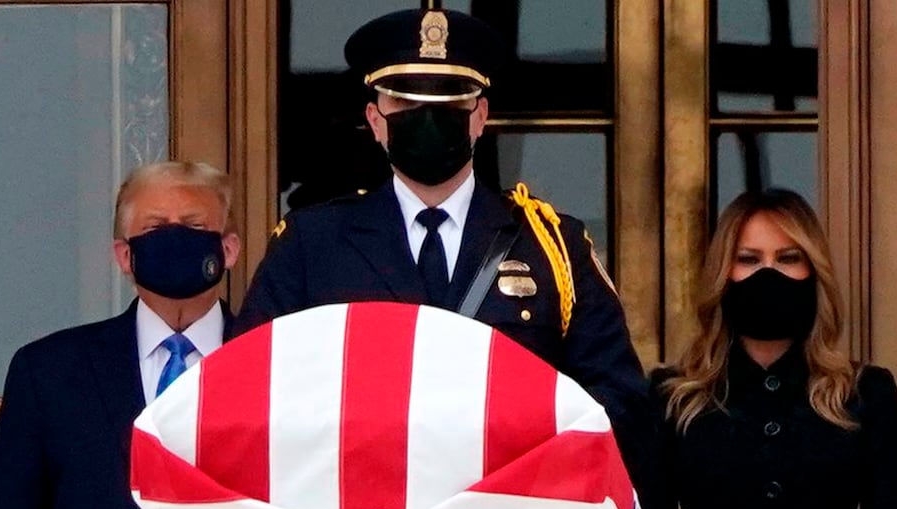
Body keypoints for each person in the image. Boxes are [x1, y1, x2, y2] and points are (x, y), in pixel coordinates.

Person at [236, 8, 648, 464]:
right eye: (406, 104)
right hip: (364, 498)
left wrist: (529, 453)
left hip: (509, 500)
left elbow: (618, 402)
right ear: (375, 120)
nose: (428, 119)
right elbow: (249, 392)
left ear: (479, 116)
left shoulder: (554, 247)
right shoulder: (311, 244)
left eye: (450, 104)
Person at [0, 161, 239, 509]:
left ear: (229, 249)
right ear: (124, 255)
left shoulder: (275, 363)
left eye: (194, 226)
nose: (175, 239)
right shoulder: (48, 372)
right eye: (155, 228)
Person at [641, 189, 897, 509]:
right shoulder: (675, 396)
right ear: (723, 273)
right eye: (748, 259)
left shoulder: (863, 394)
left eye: (788, 258)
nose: (767, 273)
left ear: (813, 271)